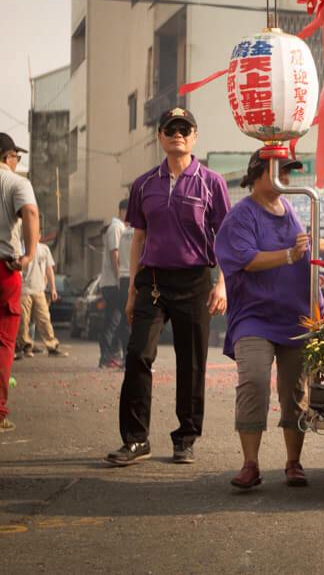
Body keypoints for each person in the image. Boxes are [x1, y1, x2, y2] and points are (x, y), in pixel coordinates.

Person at [105, 108, 230, 465]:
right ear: (160, 136)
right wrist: (131, 292)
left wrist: (222, 284)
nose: (178, 134)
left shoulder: (212, 182)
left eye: (184, 128)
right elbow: (138, 238)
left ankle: (186, 438)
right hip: (154, 282)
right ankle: (135, 439)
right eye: (170, 129)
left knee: (191, 362)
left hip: (195, 283)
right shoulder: (144, 184)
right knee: (137, 355)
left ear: (194, 136)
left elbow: (226, 237)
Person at [214, 150, 317, 489]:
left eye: (288, 173)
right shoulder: (241, 215)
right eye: (279, 172)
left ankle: (293, 462)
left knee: (295, 391)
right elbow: (246, 259)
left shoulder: (291, 209)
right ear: (258, 175)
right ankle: (250, 464)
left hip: (295, 316)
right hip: (254, 317)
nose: (286, 179)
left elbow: (308, 258)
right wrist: (289, 254)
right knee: (254, 382)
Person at [0, 133, 39, 433]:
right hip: (5, 270)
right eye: (16, 157)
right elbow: (30, 212)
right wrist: (28, 255)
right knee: (3, 342)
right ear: (7, 156)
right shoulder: (16, 183)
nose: (16, 162)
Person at [15, 240, 66, 359]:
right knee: (23, 321)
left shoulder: (44, 249)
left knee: (44, 319)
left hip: (39, 290)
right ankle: (24, 346)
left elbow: (49, 269)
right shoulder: (20, 248)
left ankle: (52, 346)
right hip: (24, 290)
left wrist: (53, 288)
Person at [97, 203, 126, 368]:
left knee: (115, 319)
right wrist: (119, 277)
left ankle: (110, 356)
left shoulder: (119, 227)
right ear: (123, 211)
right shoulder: (116, 228)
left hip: (112, 282)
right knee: (114, 321)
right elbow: (114, 253)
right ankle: (107, 356)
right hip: (112, 282)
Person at [113, 198, 133, 366]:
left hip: (124, 278)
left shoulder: (125, 232)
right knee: (139, 321)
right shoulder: (140, 231)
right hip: (135, 278)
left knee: (126, 320)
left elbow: (119, 258)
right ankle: (132, 359)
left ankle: (125, 359)